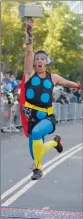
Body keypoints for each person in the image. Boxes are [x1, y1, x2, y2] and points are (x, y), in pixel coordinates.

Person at [21, 18, 81, 180]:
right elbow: (28, 50)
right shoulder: (29, 75)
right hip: (32, 118)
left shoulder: (52, 77)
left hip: (47, 117)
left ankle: (37, 170)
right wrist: (29, 29)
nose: (39, 61)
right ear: (33, 63)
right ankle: (55, 143)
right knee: (35, 151)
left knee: (37, 133)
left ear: (46, 63)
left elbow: (67, 83)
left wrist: (78, 85)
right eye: (36, 59)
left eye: (42, 59)